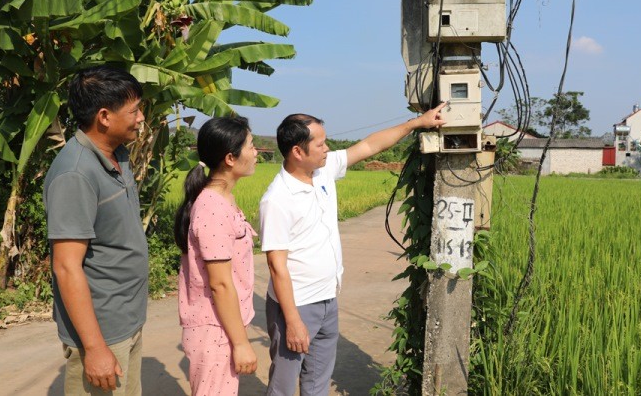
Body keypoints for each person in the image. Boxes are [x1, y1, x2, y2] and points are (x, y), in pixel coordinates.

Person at [259, 103, 446, 395]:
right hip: (296, 306)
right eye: (320, 144)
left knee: (317, 382)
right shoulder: (277, 199)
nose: (327, 148)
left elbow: (370, 145)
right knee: (283, 385)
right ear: (298, 151)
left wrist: (415, 123)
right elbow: (276, 266)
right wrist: (293, 321)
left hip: (327, 298)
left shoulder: (321, 171)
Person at [44, 65, 147, 395]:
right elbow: (66, 266)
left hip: (127, 321)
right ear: (104, 116)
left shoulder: (118, 155)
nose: (141, 118)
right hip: (103, 333)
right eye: (134, 110)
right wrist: (96, 349)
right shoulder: (75, 174)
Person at [174, 116, 259, 395]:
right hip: (214, 328)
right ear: (231, 158)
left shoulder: (222, 199)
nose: (256, 152)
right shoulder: (212, 208)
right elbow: (220, 285)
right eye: (251, 145)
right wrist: (241, 343)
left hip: (222, 324)